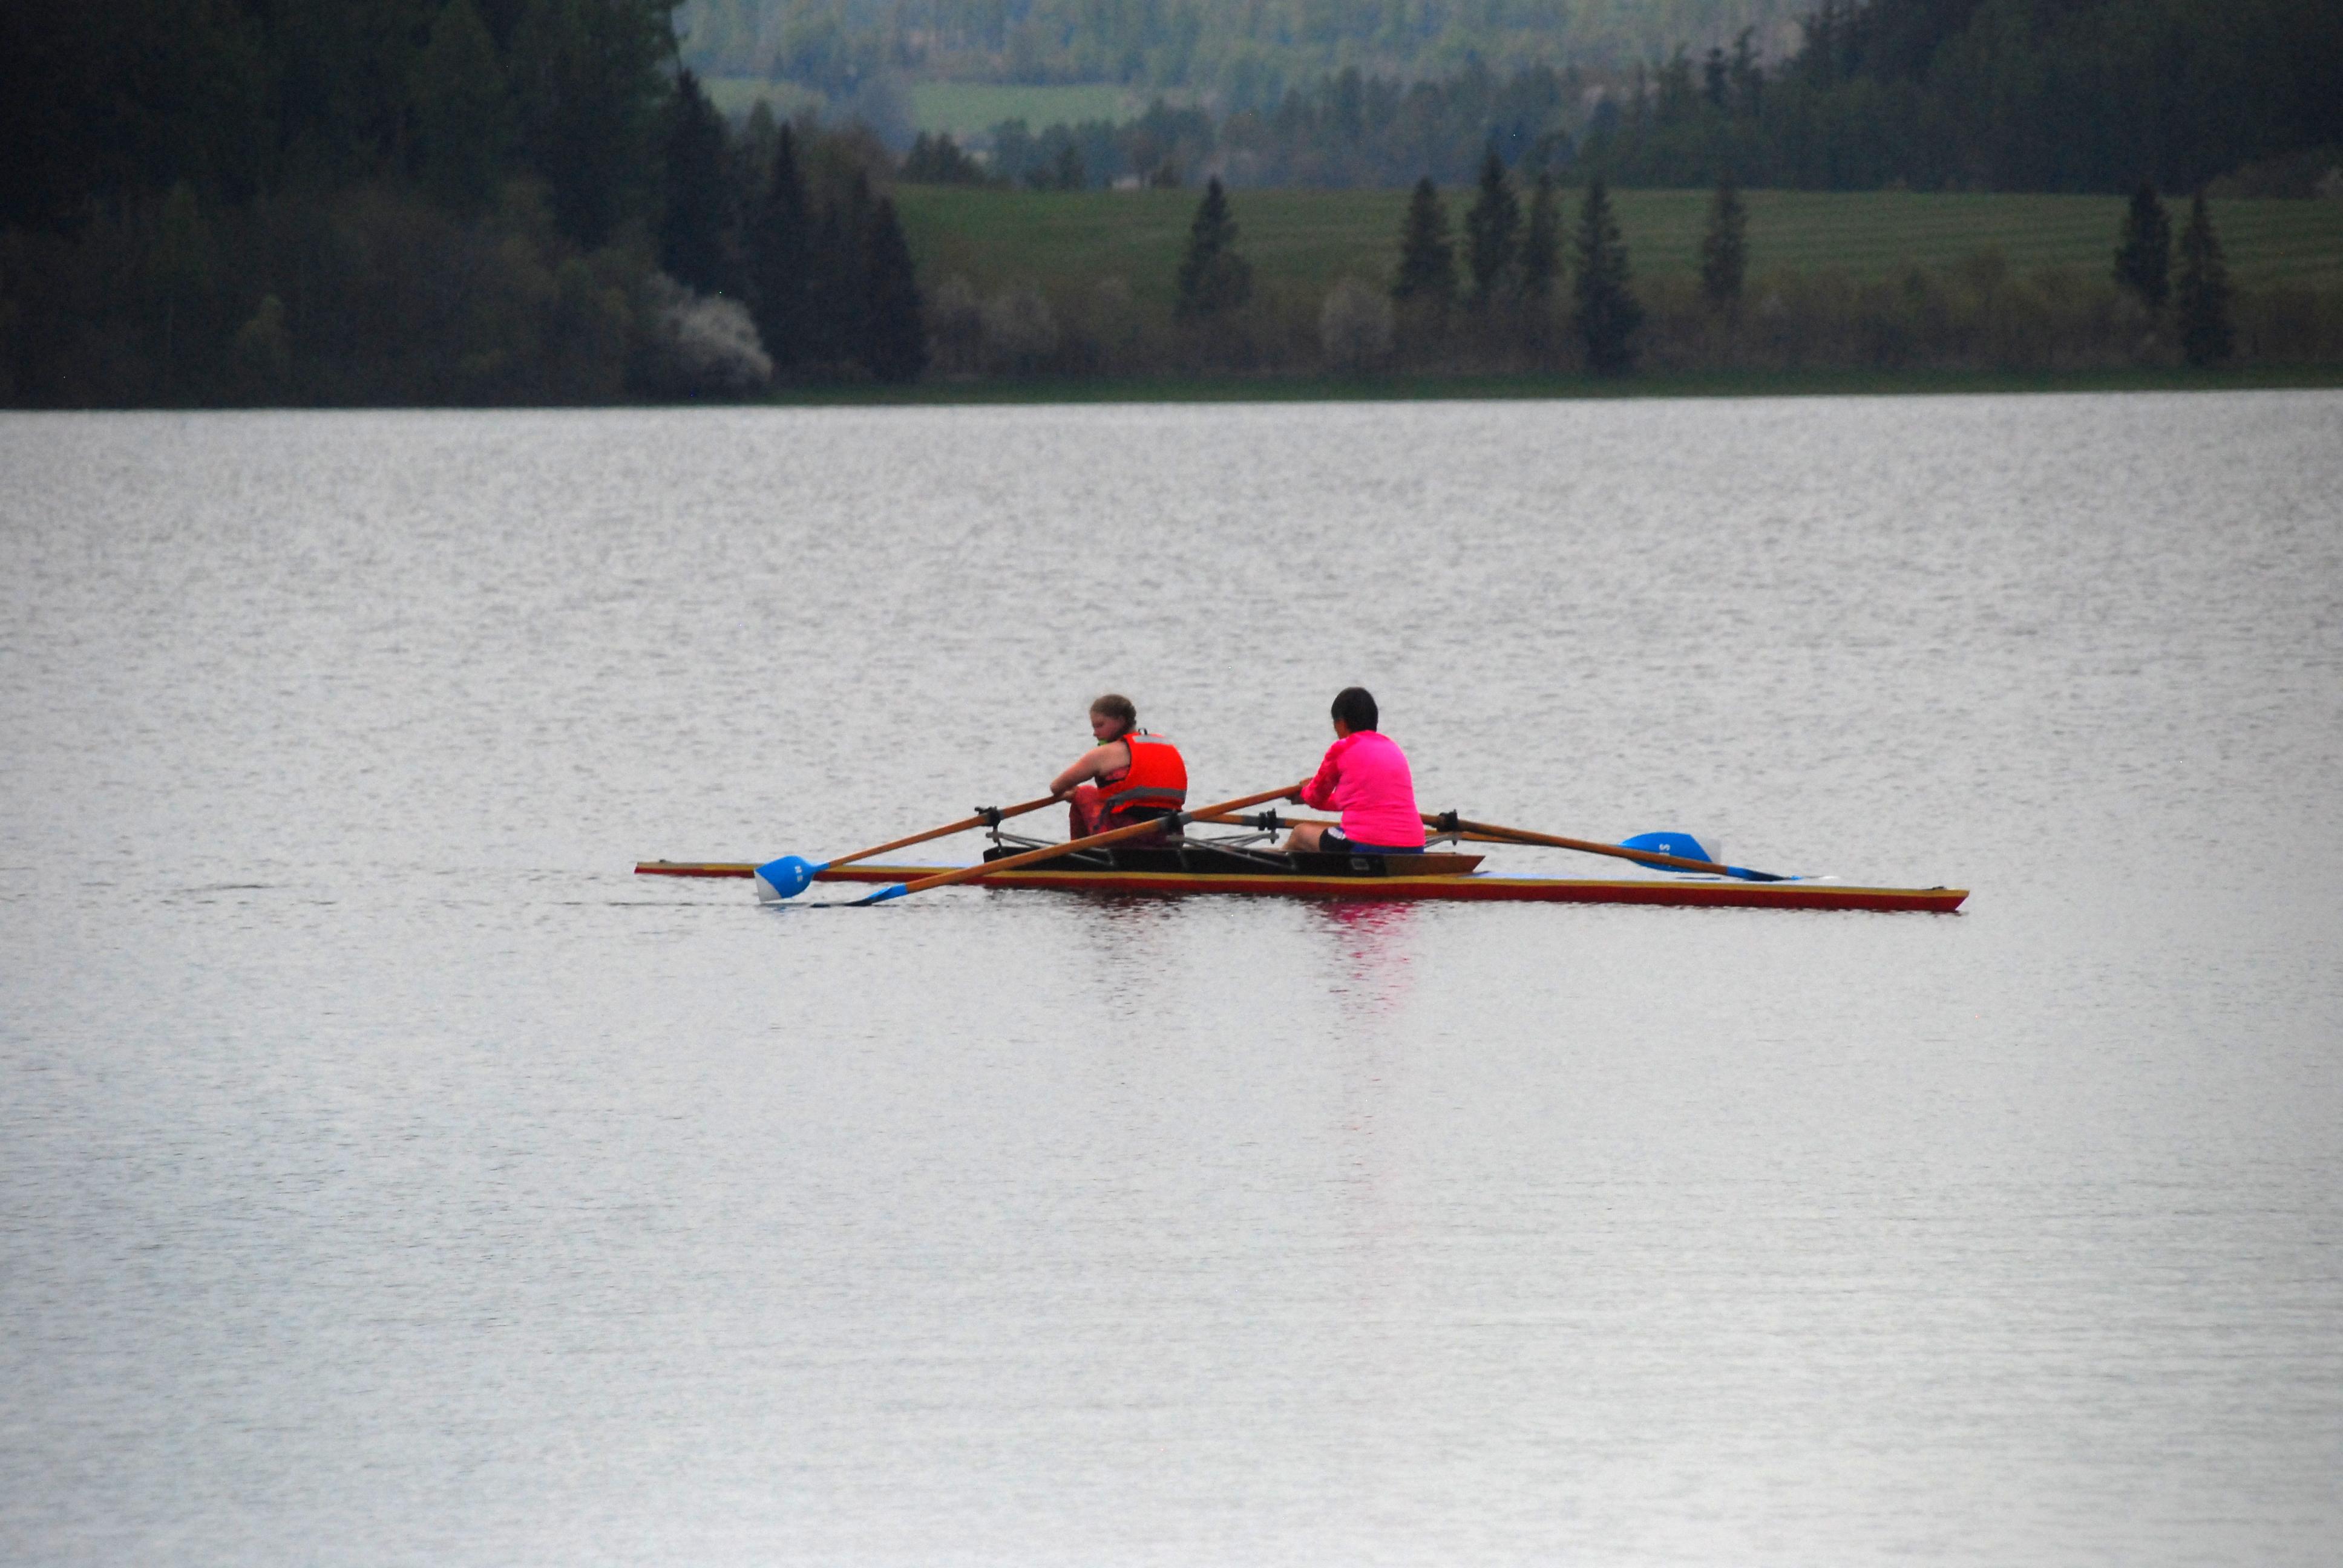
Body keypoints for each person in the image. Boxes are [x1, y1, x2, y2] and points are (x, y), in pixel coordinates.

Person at [1282, 687, 1425, 855]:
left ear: (1341, 723)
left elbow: (1315, 798)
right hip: (1414, 846)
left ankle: (1271, 876)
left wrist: (1306, 792)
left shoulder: (1342, 748)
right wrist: (1306, 795)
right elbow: (1353, 800)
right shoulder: (1393, 748)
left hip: (1365, 845)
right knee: (1329, 837)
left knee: (1300, 834)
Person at [1049, 693, 1188, 840]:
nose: (1095, 733)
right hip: (1171, 836)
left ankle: (1078, 853)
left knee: (1084, 792)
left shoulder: (1103, 754)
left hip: (1126, 838)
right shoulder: (1165, 746)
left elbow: (1056, 787)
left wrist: (1071, 795)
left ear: (1121, 721)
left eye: (1100, 725)